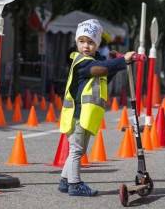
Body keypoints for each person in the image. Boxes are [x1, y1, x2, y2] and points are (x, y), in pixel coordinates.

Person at [58, 19, 135, 197]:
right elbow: (100, 69)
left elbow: (104, 75)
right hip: (76, 114)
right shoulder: (82, 62)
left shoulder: (95, 61)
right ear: (76, 42)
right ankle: (75, 184)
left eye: (91, 42)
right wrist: (123, 60)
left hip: (86, 115)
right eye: (82, 41)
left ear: (97, 44)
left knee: (78, 150)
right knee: (77, 150)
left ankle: (65, 180)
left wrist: (114, 63)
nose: (86, 46)